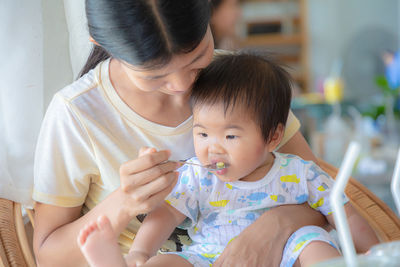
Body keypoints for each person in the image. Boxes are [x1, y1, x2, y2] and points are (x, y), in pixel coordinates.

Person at [33, 1, 329, 266]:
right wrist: (125, 203)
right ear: (103, 44)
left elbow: (321, 191)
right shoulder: (76, 114)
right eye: (154, 75)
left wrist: (272, 227)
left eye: (197, 58)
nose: (181, 85)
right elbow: (48, 256)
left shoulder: (242, 84)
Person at [77, 53, 379, 267]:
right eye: (203, 134)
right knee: (166, 262)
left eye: (230, 137)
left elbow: (344, 213)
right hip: (210, 257)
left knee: (315, 246)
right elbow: (166, 215)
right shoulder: (199, 177)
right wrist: (141, 252)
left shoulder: (300, 173)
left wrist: (375, 251)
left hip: (284, 254)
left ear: (273, 137)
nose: (212, 149)